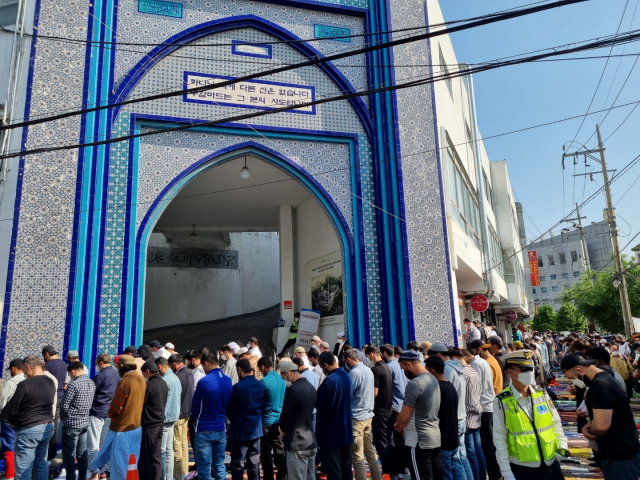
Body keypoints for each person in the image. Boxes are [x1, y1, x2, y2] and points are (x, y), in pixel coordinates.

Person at [562, 353, 640, 479]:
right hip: (623, 451)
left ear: (578, 370)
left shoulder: (600, 386)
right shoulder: (605, 379)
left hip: (619, 455)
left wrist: (587, 430)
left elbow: (601, 427)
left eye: (572, 378)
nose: (573, 382)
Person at [494, 350, 568, 480]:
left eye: (531, 369)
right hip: (523, 467)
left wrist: (562, 445)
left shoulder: (542, 394)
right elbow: (499, 437)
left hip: (551, 463)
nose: (530, 373)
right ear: (510, 372)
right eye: (525, 369)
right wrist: (506, 471)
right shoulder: (502, 400)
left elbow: (555, 423)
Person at [90, 354, 146, 480]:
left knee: (119, 462)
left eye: (117, 366)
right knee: (131, 461)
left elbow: (117, 406)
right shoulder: (140, 378)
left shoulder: (126, 381)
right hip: (136, 426)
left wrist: (110, 413)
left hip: (122, 428)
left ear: (121, 366)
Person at [5, 356, 55, 480]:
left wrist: (12, 421)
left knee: (23, 467)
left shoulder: (24, 384)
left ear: (28, 367)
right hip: (47, 426)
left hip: (29, 428)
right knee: (41, 463)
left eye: (23, 370)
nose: (24, 373)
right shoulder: (50, 381)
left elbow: (12, 407)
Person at [394, 350, 443, 480]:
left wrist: (398, 425)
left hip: (417, 441)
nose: (403, 372)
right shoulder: (433, 379)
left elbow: (404, 417)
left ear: (409, 365)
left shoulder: (415, 384)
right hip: (434, 437)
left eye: (403, 368)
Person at [191, 352, 232, 480]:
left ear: (206, 363)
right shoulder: (228, 380)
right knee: (219, 465)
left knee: (204, 468)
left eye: (203, 366)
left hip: (204, 428)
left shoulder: (204, 381)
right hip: (220, 428)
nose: (203, 368)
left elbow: (195, 407)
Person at [344, 348, 382, 480]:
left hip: (357, 417)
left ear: (349, 359)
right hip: (368, 415)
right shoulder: (368, 370)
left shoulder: (354, 373)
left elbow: (348, 394)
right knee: (371, 453)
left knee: (357, 455)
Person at [315, 351, 353, 480]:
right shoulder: (346, 376)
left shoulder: (329, 381)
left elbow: (319, 404)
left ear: (325, 365)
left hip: (331, 432)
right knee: (346, 467)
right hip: (345, 430)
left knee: (334, 469)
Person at [226, 358, 266, 480]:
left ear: (239, 369)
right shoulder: (260, 385)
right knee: (254, 462)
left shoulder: (237, 387)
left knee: (238, 464)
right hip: (256, 430)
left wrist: (235, 420)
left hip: (240, 430)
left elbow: (230, 409)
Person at [425, 356, 463, 480]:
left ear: (432, 370)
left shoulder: (438, 388)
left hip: (444, 438)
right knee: (457, 468)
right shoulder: (450, 386)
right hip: (453, 435)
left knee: (446, 473)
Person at [279, 362, 318, 480]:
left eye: (284, 377)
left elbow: (286, 414)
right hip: (310, 438)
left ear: (287, 373)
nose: (285, 380)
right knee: (310, 476)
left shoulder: (292, 390)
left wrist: (283, 428)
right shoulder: (311, 387)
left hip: (297, 441)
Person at [365, 344, 398, 479]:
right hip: (389, 410)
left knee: (382, 444)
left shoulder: (376, 369)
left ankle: (387, 473)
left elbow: (375, 392)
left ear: (372, 354)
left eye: (367, 356)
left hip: (380, 412)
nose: (368, 359)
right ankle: (395, 472)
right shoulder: (387, 367)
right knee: (390, 443)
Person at [60, 361, 96, 480]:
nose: (70, 376)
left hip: (72, 423)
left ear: (73, 371)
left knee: (69, 456)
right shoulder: (91, 383)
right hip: (85, 422)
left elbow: (65, 405)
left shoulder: (73, 384)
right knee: (82, 454)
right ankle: (82, 477)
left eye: (70, 374)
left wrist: (62, 416)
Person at [455, 349, 485, 480]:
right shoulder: (472, 371)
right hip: (476, 413)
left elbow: (469, 398)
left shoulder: (464, 373)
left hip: (468, 416)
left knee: (471, 453)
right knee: (478, 452)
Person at [87, 353, 119, 479]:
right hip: (109, 412)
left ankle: (94, 472)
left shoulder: (100, 376)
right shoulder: (116, 374)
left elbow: (91, 394)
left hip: (97, 412)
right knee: (106, 443)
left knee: (93, 444)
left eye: (96, 364)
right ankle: (106, 471)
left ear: (101, 362)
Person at [381, 343, 408, 477]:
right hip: (405, 404)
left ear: (385, 353)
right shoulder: (400, 364)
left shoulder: (389, 367)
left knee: (397, 440)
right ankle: (405, 466)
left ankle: (400, 469)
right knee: (402, 438)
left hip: (395, 406)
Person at [258, 357, 287, 480]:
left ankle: (268, 476)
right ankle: (282, 475)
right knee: (279, 450)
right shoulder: (281, 380)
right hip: (278, 421)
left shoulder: (264, 381)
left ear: (263, 367)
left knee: (266, 453)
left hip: (266, 421)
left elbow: (259, 401)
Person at [140, 361, 169, 480]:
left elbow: (142, 403)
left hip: (149, 424)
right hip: (159, 422)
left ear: (147, 371)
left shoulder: (149, 385)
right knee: (156, 455)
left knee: (147, 456)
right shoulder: (163, 383)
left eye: (144, 374)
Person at [168, 353, 193, 480]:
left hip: (179, 414)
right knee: (183, 442)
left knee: (176, 444)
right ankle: (184, 470)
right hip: (187, 412)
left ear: (173, 365)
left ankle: (177, 475)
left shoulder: (178, 376)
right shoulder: (189, 373)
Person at [155, 357, 181, 480]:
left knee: (162, 451)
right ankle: (169, 477)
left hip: (165, 419)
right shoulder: (175, 378)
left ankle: (163, 477)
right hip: (174, 417)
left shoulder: (165, 380)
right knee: (169, 450)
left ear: (159, 367)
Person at [0, 358, 25, 480]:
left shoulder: (11, 382)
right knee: (21, 447)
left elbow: (3, 403)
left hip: (8, 419)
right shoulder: (29, 380)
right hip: (24, 419)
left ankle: (10, 475)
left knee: (9, 447)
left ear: (14, 368)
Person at [41, 345, 67, 463]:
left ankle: (44, 453)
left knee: (45, 424)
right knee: (54, 426)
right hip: (61, 396)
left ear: (46, 354)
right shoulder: (63, 364)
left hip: (50, 396)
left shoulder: (47, 366)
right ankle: (52, 454)